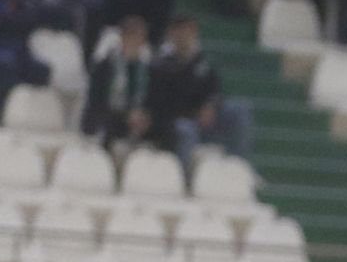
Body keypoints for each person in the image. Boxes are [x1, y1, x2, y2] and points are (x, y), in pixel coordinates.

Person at [144, 15, 253, 167]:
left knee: (239, 109)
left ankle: (238, 165)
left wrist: (211, 105)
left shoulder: (203, 61)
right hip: (175, 121)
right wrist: (193, 113)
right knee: (185, 129)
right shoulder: (160, 64)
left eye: (189, 30)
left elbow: (215, 90)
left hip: (204, 119)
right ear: (171, 33)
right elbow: (161, 102)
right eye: (180, 31)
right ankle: (185, 177)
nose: (185, 35)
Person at [80, 14, 154, 149]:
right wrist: (127, 114)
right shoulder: (105, 65)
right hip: (106, 116)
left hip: (135, 119)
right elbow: (97, 99)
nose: (137, 41)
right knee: (110, 124)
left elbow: (150, 99)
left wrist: (143, 115)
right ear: (122, 37)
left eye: (141, 37)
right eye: (132, 36)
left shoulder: (147, 69)